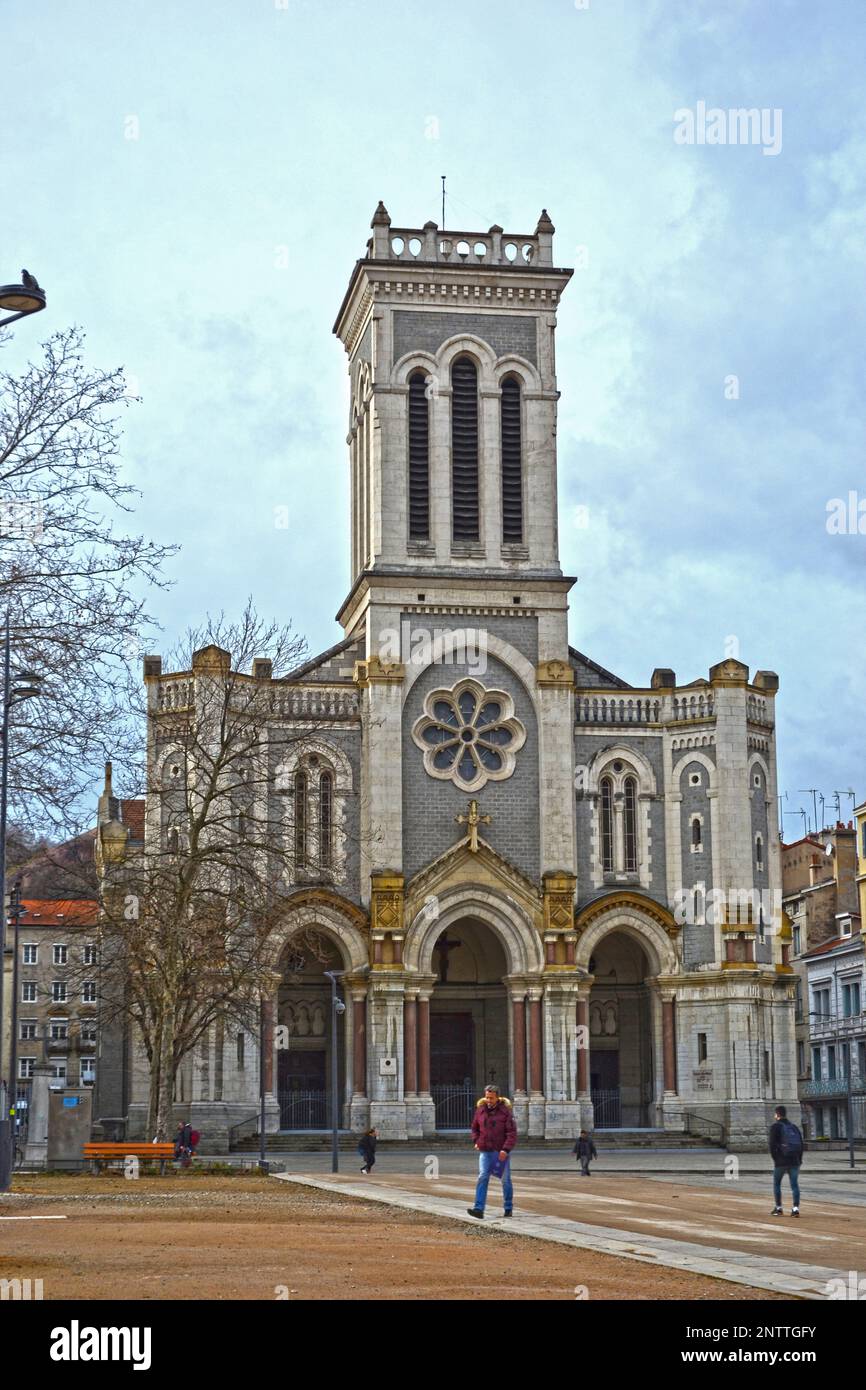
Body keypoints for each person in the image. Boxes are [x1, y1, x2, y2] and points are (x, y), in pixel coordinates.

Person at [467, 1085, 516, 1219]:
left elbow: (511, 1133)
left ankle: (508, 1207)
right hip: (485, 1150)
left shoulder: (505, 1112)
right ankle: (478, 1209)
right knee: (483, 1177)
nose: (489, 1100)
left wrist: (506, 1149)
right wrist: (476, 1141)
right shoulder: (480, 1110)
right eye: (487, 1097)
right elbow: (474, 1128)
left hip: (500, 1150)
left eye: (491, 1098)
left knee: (505, 1180)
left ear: (497, 1097)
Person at [768, 1104, 803, 1217]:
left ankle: (778, 1208)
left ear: (777, 1114)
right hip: (794, 1160)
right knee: (794, 1185)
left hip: (781, 1161)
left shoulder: (775, 1127)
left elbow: (772, 1145)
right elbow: (801, 1145)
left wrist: (776, 1159)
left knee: (777, 1183)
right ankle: (795, 1209)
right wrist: (799, 1160)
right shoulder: (794, 1127)